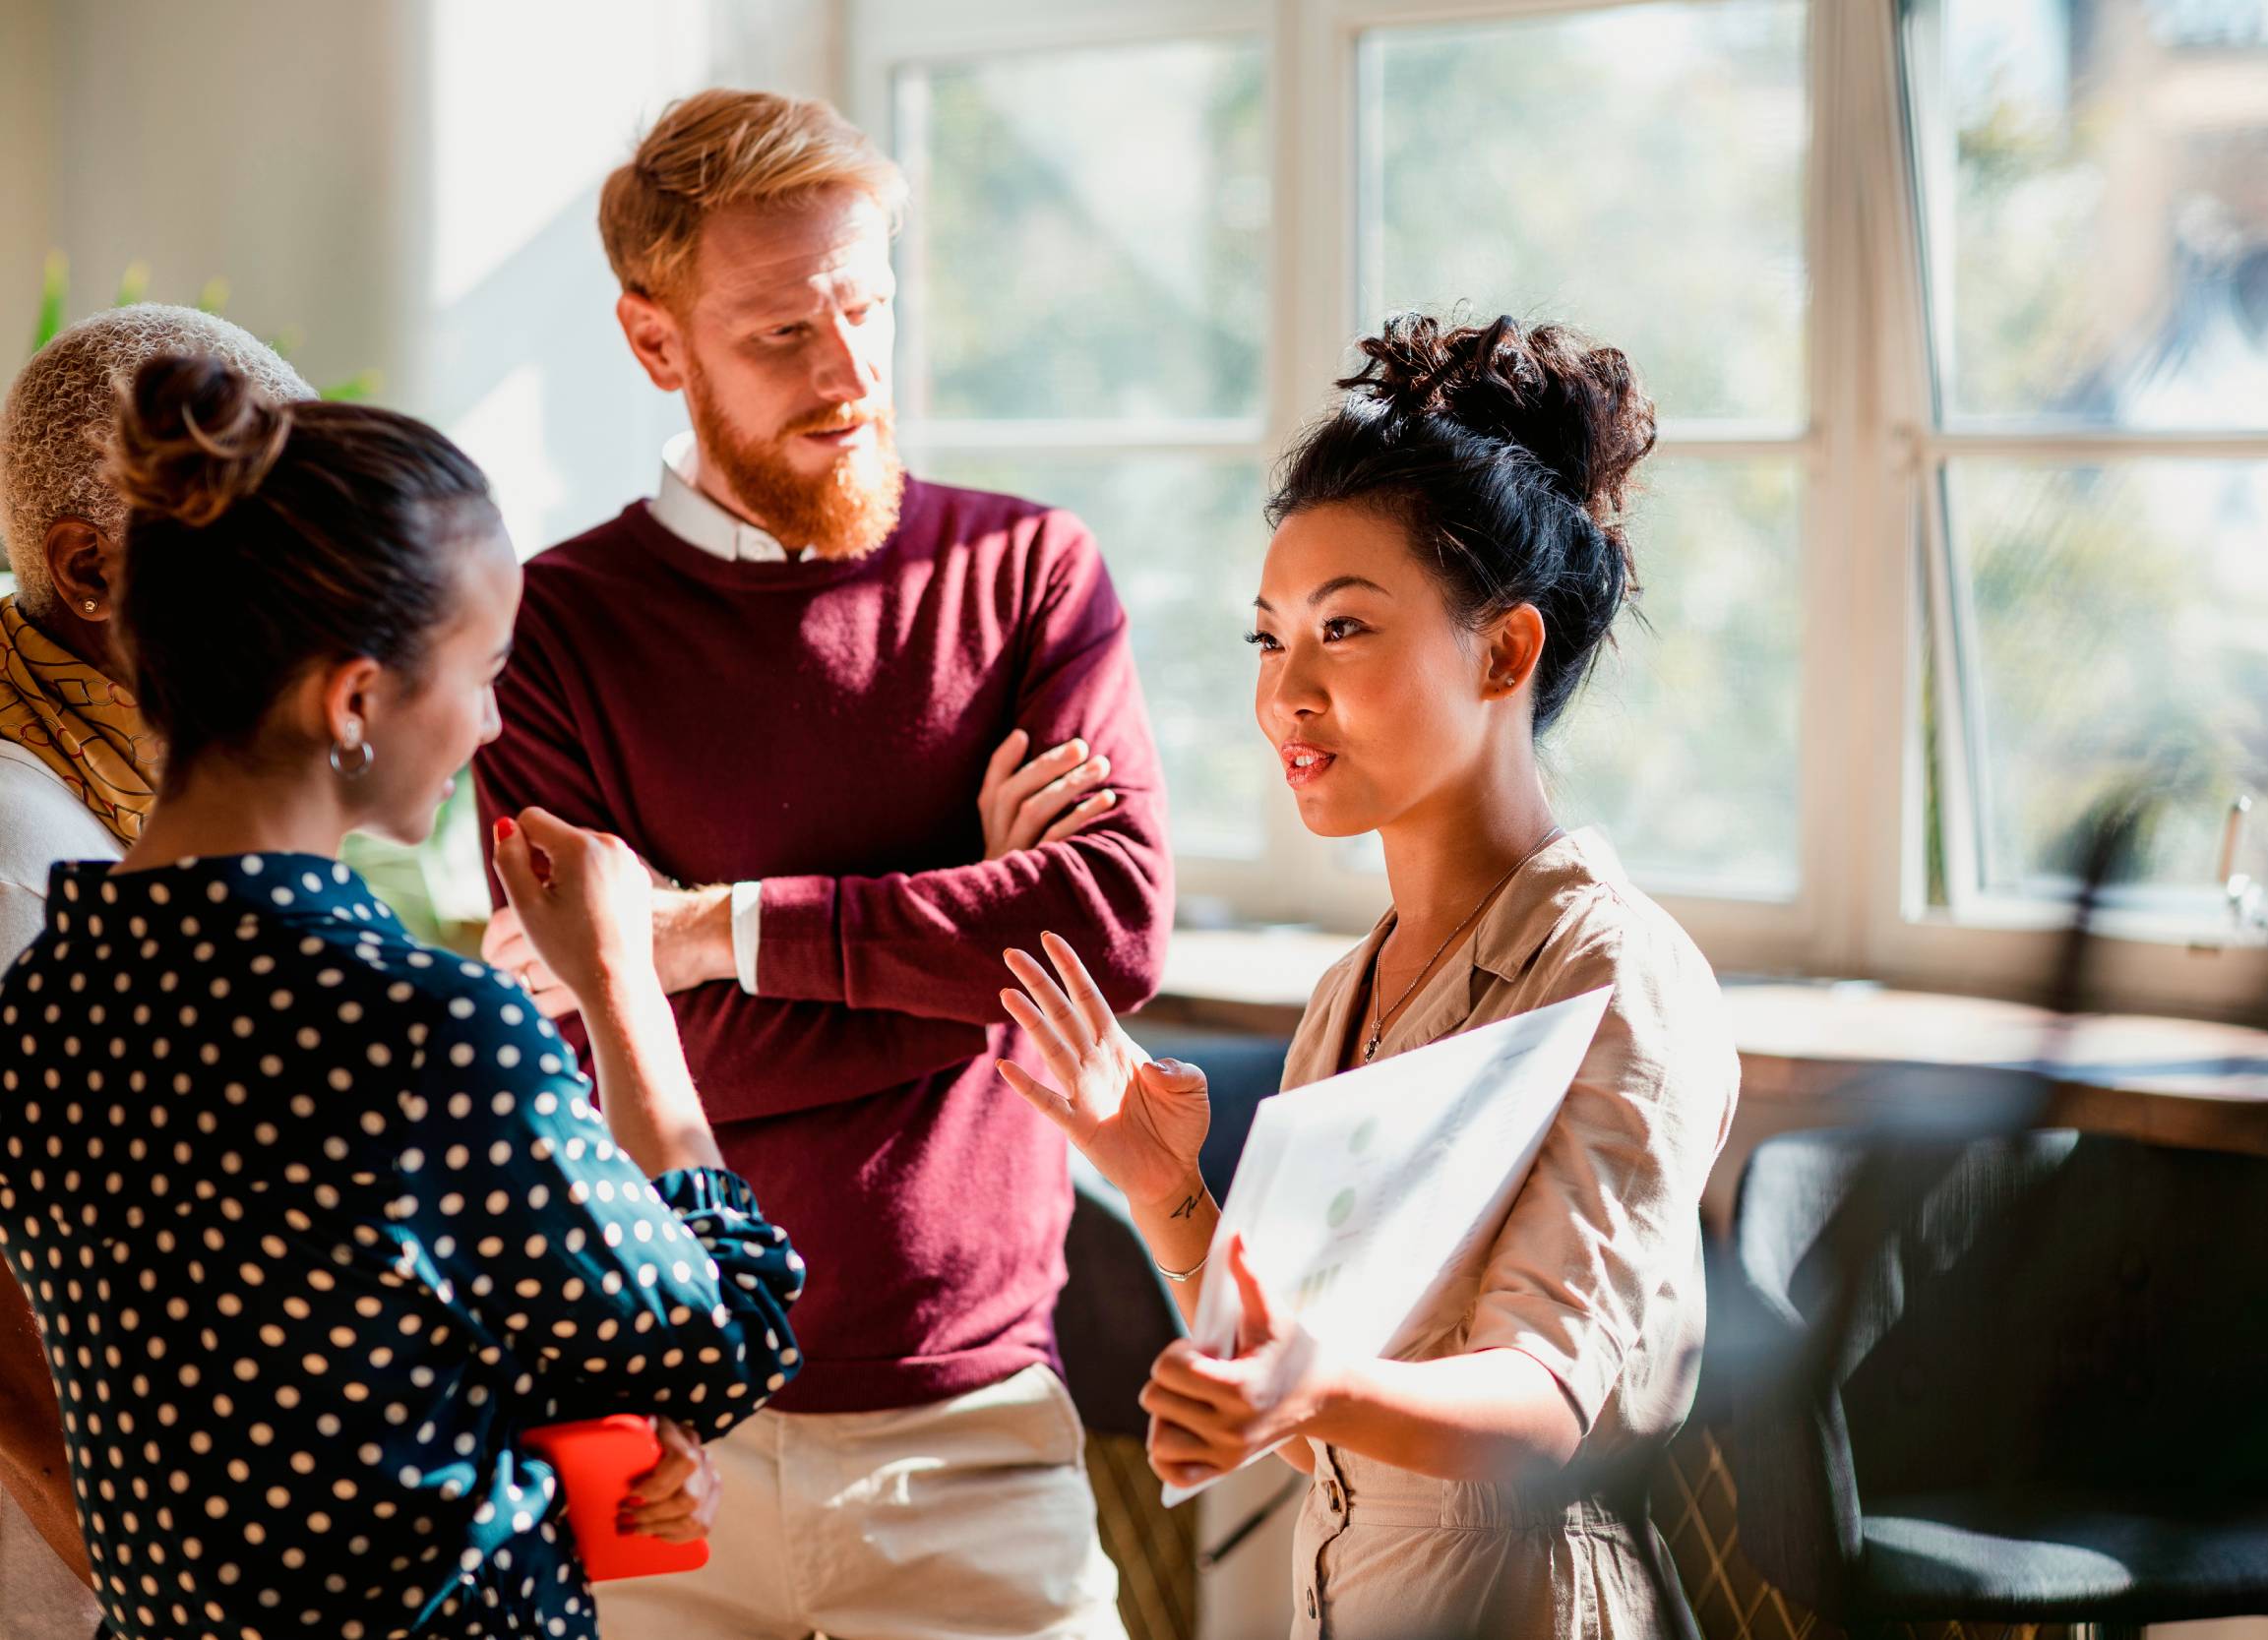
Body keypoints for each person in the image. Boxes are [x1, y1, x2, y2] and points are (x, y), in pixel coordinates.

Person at [471, 88, 1168, 1640]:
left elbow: (1106, 934)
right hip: (661, 1450)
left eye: (866, 308)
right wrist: (968, 958)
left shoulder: (1029, 575)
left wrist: (702, 933)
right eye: (784, 333)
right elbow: (589, 1046)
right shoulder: (548, 634)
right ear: (657, 344)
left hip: (976, 1433)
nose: (849, 373)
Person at [0, 354, 808, 1640]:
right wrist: (619, 986)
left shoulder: (45, 1003)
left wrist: (552, 1457)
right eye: (483, 670)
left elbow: (296, 1380)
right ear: (358, 699)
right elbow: (723, 1341)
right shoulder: (422, 1032)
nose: (492, 724)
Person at [1000, 314, 1740, 1639]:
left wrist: (1312, 1390)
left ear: (1505, 654)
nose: (1287, 692)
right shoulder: (1353, 989)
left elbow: (1544, 1405)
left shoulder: (1612, 973)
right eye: (1268, 639)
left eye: (1343, 630)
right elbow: (1297, 1415)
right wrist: (1164, 1185)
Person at [0, 304, 314, 1637]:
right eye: (270, 544)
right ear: (89, 570)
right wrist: (159, 1571)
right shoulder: (28, 860)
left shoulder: (163, 785)